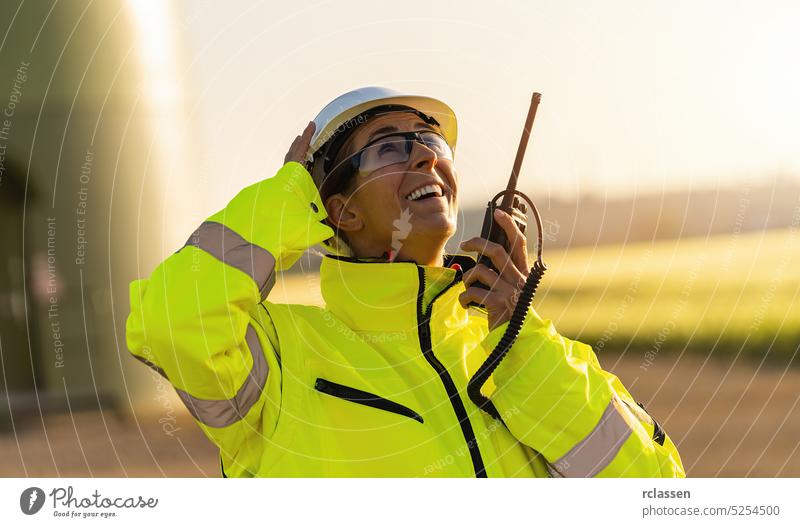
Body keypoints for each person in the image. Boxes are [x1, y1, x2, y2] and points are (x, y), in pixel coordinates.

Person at [126, 86, 685, 477]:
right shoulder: (283, 363)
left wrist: (521, 339)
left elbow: (652, 488)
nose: (425, 154)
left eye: (432, 142)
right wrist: (287, 198)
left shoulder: (511, 346)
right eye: (390, 146)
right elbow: (173, 320)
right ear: (338, 211)